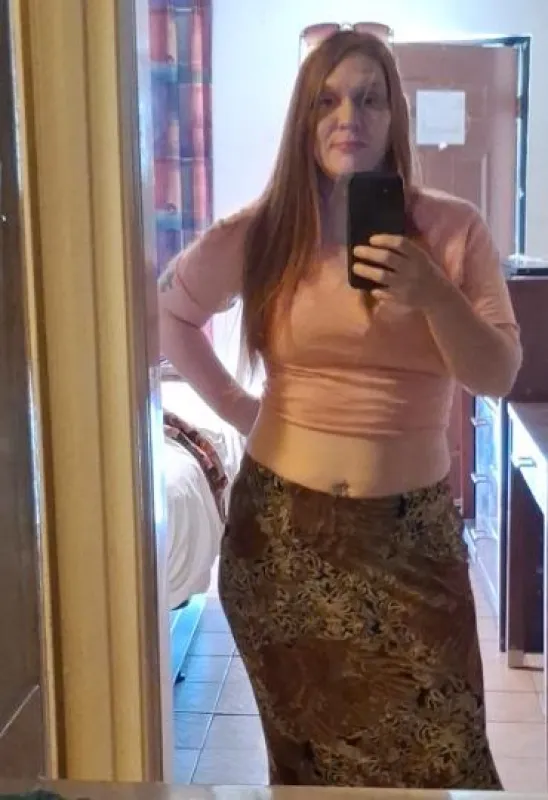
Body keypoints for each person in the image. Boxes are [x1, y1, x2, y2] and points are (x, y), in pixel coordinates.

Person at [158, 29, 521, 790]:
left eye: (368, 98)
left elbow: (497, 373)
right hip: (280, 536)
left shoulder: (452, 230)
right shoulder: (265, 232)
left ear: (394, 116)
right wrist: (241, 408)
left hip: (411, 539)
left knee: (437, 760)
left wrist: (433, 294)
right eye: (326, 100)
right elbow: (173, 313)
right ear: (304, 118)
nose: (347, 116)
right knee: (308, 771)